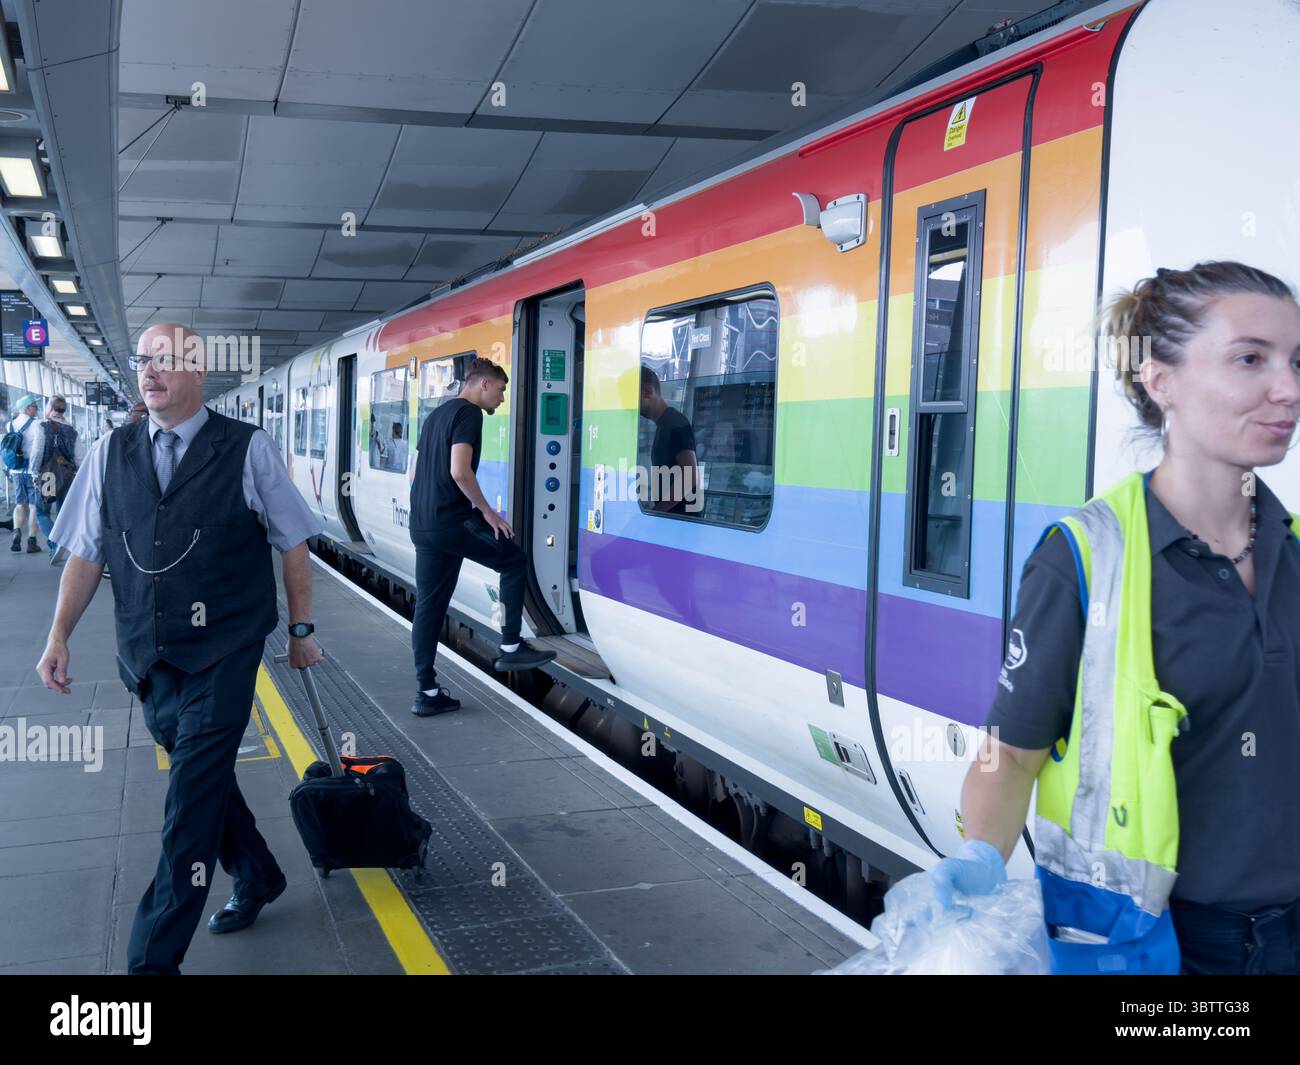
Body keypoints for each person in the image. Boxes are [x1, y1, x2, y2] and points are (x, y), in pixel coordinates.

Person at [932, 262, 1300, 975]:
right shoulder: (1084, 559)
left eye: (1296, 361)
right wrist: (976, 862)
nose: (1286, 388)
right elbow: (1009, 752)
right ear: (1159, 379)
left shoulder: (1296, 550)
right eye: (1250, 358)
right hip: (1158, 950)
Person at [36, 323, 325, 975]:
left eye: (165, 360)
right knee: (205, 778)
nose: (149, 370)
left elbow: (293, 542)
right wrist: (58, 636)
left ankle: (148, 965)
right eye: (143, 359)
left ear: (199, 371)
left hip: (225, 649)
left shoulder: (248, 450)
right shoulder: (112, 452)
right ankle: (258, 873)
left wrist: (302, 631)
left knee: (187, 807)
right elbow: (85, 552)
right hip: (147, 657)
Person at [407, 357, 554, 717]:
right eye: (502, 390)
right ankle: (510, 646)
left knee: (429, 604)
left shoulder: (436, 415)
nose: (502, 399)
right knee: (514, 560)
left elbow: (414, 473)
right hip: (451, 521)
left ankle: (426, 691)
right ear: (484, 385)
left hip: (423, 524)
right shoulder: (468, 414)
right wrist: (488, 513)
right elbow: (459, 471)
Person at [639, 367, 699, 514]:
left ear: (647, 392)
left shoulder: (675, 423)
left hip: (682, 524)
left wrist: (657, 512)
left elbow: (689, 477)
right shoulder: (665, 424)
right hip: (674, 520)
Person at [32, 395, 78, 564]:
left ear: (50, 408)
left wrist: (33, 471)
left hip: (49, 475)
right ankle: (63, 539)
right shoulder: (72, 429)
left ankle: (54, 542)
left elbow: (37, 452)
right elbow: (78, 456)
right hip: (68, 475)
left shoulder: (42, 426)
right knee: (62, 511)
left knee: (42, 511)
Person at [4, 394, 42, 553]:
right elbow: (38, 451)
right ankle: (32, 541)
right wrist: (37, 470)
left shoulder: (9, 425)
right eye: (34, 406)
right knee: (34, 507)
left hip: (15, 470)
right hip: (31, 471)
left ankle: (17, 531)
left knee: (20, 504)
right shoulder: (37, 425)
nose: (37, 408)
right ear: (27, 408)